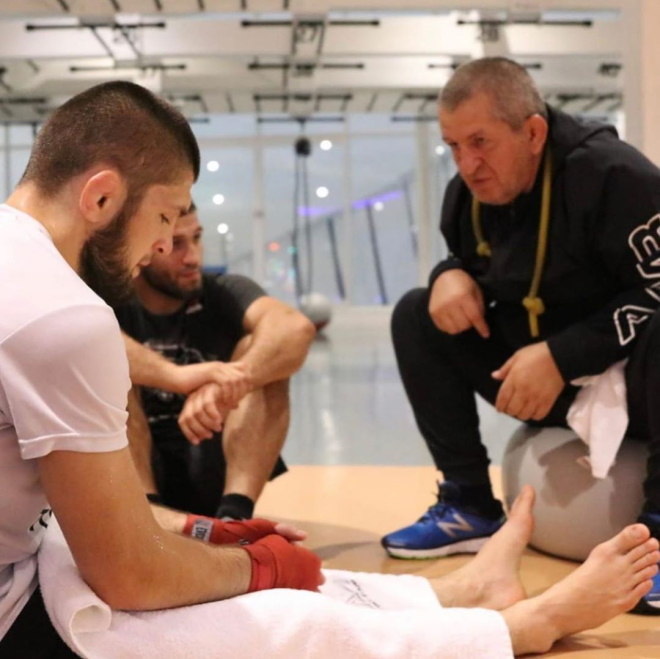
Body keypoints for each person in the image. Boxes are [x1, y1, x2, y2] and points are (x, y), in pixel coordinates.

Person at [0, 78, 657, 658]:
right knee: (266, 611)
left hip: (30, 556)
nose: (166, 244)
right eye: (167, 216)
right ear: (102, 197)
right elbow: (131, 576)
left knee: (232, 565)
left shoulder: (20, 264)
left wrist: (206, 529)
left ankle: (460, 592)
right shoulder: (66, 314)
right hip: (16, 610)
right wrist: (252, 567)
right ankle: (513, 629)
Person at [381, 56, 660, 612]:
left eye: (480, 142)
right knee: (416, 314)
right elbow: (468, 260)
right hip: (536, 384)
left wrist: (562, 354)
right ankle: (470, 505)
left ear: (533, 132)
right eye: (454, 146)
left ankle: (657, 535)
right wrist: (447, 275)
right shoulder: (469, 194)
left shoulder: (614, 176)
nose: (467, 164)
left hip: (637, 385)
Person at [114, 204, 315, 520]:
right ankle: (148, 518)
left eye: (196, 239)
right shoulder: (111, 301)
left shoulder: (224, 292)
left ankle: (235, 515)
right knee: (105, 363)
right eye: (176, 244)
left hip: (211, 462)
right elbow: (79, 338)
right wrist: (175, 376)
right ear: (143, 250)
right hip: (135, 471)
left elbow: (295, 328)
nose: (193, 257)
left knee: (260, 351)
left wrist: (233, 381)